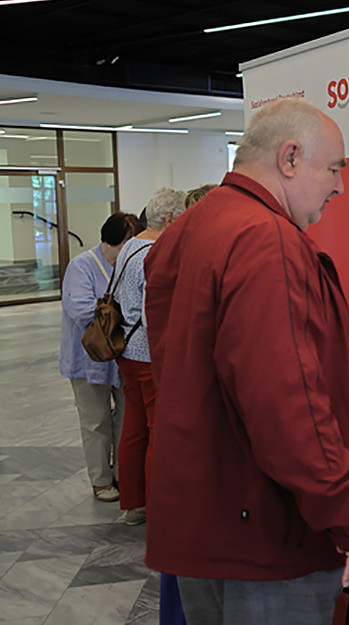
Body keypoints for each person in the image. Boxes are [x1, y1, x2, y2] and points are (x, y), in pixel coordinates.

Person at [143, 98, 349, 625]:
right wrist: (347, 516)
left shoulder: (188, 229)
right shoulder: (267, 239)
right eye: (334, 168)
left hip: (209, 518)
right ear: (290, 158)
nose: (339, 187)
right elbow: (285, 405)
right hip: (268, 536)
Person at [115, 187, 187, 527]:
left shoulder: (130, 245)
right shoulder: (156, 252)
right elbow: (155, 309)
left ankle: (134, 503)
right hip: (149, 355)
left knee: (132, 428)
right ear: (170, 218)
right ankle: (159, 507)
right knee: (159, 431)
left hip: (125, 351)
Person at [59, 211, 141, 503]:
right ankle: (101, 480)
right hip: (88, 358)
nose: (131, 249)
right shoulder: (81, 266)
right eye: (127, 243)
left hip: (122, 357)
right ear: (111, 241)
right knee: (96, 421)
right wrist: (119, 313)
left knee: (125, 420)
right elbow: (80, 310)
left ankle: (123, 473)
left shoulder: (129, 265)